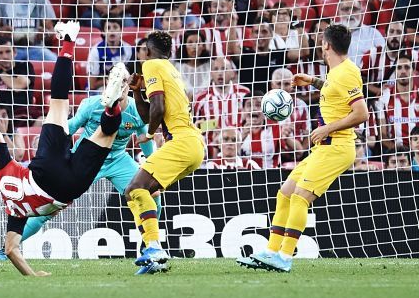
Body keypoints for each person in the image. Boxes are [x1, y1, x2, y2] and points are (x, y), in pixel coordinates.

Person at [0, 20, 129, 276]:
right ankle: (68, 41)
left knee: (105, 135)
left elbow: (11, 250)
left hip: (68, 188)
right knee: (59, 104)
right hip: (44, 166)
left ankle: (113, 108)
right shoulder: (4, 166)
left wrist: (33, 274)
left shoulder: (12, 209)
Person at [238, 24, 368, 273]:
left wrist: (328, 128)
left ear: (326, 45)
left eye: (322, 41)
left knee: (300, 197)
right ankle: (271, 251)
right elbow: (335, 93)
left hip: (337, 147)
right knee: (285, 193)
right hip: (326, 147)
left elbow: (361, 113)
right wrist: (313, 81)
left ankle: (284, 257)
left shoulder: (347, 73)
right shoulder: (337, 71)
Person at [0, 80, 162, 266]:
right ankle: (5, 248)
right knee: (46, 207)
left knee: (152, 193)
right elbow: (70, 126)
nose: (120, 88)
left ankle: (149, 246)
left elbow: (144, 138)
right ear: (108, 86)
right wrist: (48, 150)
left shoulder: (136, 109)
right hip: (86, 159)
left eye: (123, 83)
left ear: (128, 87)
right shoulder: (92, 105)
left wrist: (152, 165)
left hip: (118, 159)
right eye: (115, 83)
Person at [124, 31, 206, 274]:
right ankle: (153, 253)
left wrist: (149, 134)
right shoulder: (169, 68)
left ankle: (154, 248)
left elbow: (157, 110)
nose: (140, 55)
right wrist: (137, 92)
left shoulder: (151, 65)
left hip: (181, 141)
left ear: (146, 51)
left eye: (141, 50)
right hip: (192, 145)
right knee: (139, 193)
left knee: (134, 189)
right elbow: (148, 112)